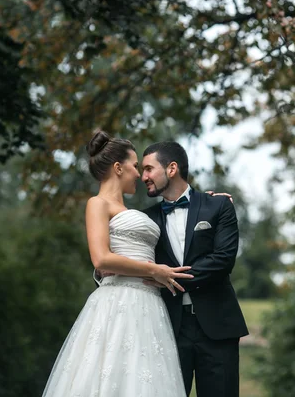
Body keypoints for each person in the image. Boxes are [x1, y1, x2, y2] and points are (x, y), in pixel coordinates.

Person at [41, 131, 190, 397]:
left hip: (150, 306)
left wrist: (205, 199)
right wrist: (154, 270)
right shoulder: (97, 204)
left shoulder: (137, 213)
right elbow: (101, 258)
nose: (140, 175)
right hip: (117, 302)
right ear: (118, 168)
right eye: (135, 166)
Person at [141, 141, 249, 397]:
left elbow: (223, 260)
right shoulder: (145, 220)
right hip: (168, 328)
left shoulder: (219, 205)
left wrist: (169, 277)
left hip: (217, 328)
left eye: (148, 169)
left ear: (172, 169)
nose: (143, 177)